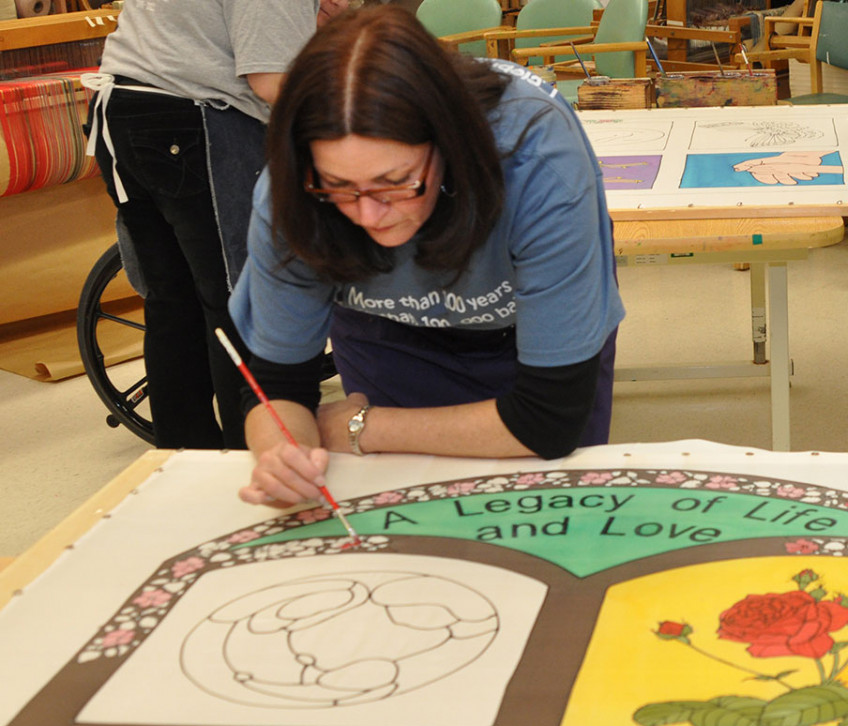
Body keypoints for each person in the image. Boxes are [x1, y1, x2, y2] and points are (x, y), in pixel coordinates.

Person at [229, 5, 625, 509]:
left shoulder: (536, 159)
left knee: (549, 507)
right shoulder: (290, 194)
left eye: (397, 183)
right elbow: (275, 383)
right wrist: (281, 454)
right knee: (407, 512)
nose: (370, 216)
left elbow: (549, 420)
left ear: (448, 143)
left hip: (525, 337)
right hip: (389, 334)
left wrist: (358, 426)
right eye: (339, 187)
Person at [83, 0, 347, 450]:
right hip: (191, 120)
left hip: (122, 113)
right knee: (238, 303)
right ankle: (255, 457)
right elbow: (273, 82)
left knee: (173, 305)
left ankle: (185, 458)